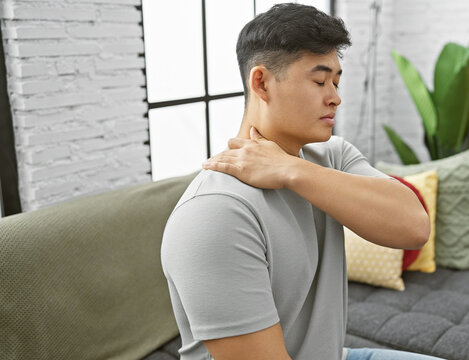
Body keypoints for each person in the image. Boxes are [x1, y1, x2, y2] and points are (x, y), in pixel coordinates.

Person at [161, 3, 441, 360]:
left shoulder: (330, 157)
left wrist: (290, 170)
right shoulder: (213, 216)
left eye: (337, 82)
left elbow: (414, 226)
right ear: (261, 82)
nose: (335, 97)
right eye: (320, 81)